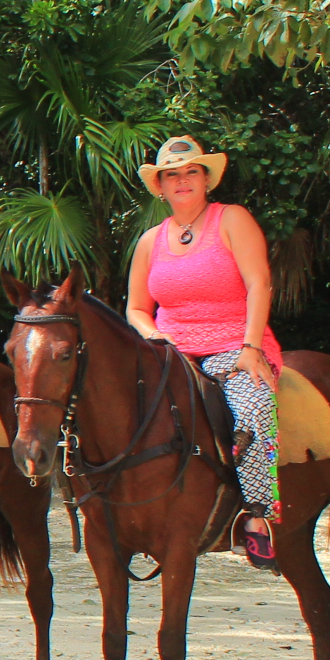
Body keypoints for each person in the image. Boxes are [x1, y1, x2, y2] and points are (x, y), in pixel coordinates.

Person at [125, 134, 282, 568]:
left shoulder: (231, 220)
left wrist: (252, 347)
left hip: (234, 341)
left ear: (206, 178)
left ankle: (256, 516)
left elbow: (259, 283)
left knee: (251, 405)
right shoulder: (149, 241)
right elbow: (137, 308)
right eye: (171, 175)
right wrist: (155, 336)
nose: (181, 181)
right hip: (172, 350)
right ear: (159, 186)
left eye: (190, 171)